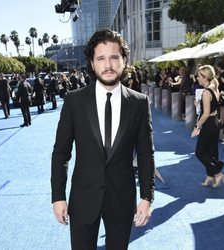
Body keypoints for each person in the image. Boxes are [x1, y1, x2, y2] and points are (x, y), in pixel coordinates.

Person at [51, 29, 155, 250]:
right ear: (92, 63)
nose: (108, 64)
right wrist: (58, 196)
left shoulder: (139, 102)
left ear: (124, 60)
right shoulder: (74, 101)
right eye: (101, 58)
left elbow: (146, 153)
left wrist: (147, 197)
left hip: (122, 199)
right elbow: (61, 152)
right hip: (83, 198)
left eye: (114, 57)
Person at [191, 65, 224, 188]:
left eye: (199, 76)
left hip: (209, 123)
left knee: (200, 152)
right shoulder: (214, 87)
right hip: (214, 122)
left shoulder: (206, 92)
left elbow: (205, 114)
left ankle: (217, 172)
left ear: (205, 77)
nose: (197, 78)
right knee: (211, 152)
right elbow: (210, 108)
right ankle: (210, 178)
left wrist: (197, 127)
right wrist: (198, 104)